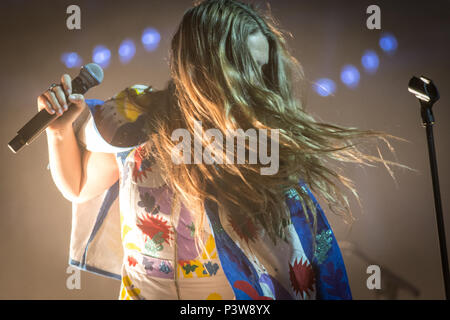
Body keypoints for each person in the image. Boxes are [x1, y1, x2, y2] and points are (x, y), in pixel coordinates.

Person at [37, 0, 399, 300]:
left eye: (262, 69)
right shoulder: (137, 114)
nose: (257, 83)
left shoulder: (260, 141)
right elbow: (80, 185)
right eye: (245, 70)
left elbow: (293, 256)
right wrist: (58, 132)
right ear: (202, 65)